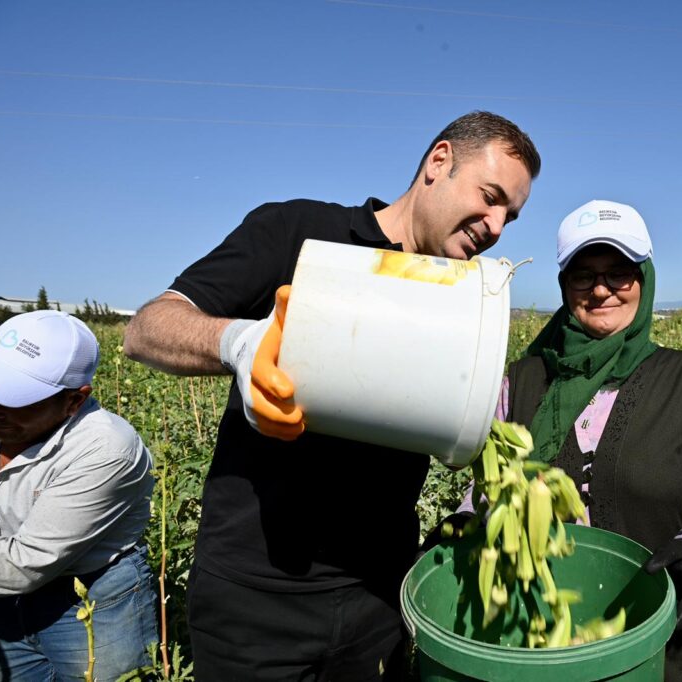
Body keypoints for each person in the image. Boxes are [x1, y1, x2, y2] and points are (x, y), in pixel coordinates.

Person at [122, 110, 540, 680]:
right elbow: (147, 329)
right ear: (439, 162)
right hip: (254, 601)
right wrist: (239, 343)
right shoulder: (299, 233)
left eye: (509, 216)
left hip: (377, 599)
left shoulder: (463, 298)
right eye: (490, 197)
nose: (495, 226)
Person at [445, 200, 682, 681]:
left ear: (643, 280)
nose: (602, 289)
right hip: (534, 641)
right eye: (584, 275)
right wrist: (461, 525)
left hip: (655, 639)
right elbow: (492, 488)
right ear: (565, 285)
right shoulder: (522, 379)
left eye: (619, 273)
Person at [0, 310, 156, 681]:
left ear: (74, 402)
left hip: (91, 600)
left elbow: (23, 563)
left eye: (15, 397)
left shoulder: (106, 448)